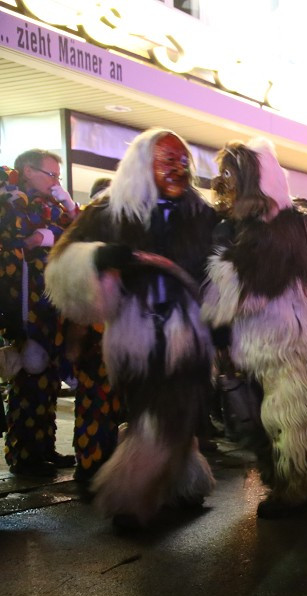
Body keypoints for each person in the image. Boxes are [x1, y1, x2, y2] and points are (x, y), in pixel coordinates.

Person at [44, 129, 216, 527]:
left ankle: (144, 492)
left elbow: (220, 268)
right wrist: (100, 256)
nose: (179, 169)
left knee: (170, 412)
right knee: (150, 414)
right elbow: (61, 263)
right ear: (143, 163)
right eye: (168, 161)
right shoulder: (109, 213)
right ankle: (159, 487)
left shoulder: (203, 215)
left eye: (183, 161)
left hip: (188, 335)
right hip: (135, 336)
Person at [202, 137, 307, 519]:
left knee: (285, 417)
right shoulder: (266, 223)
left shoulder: (272, 228)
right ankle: (304, 473)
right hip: (281, 337)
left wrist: (221, 277)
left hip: (282, 340)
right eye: (223, 173)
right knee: (283, 416)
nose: (222, 182)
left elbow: (248, 289)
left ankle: (294, 489)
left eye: (231, 174)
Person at [0, 150, 78, 476]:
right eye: (50, 175)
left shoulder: (52, 207)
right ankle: (23, 454)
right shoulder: (9, 203)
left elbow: (79, 232)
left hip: (49, 306)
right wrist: (41, 236)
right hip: (22, 307)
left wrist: (49, 232)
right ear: (28, 171)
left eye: (58, 176)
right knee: (26, 382)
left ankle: (44, 447)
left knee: (47, 381)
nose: (55, 182)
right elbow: (18, 239)